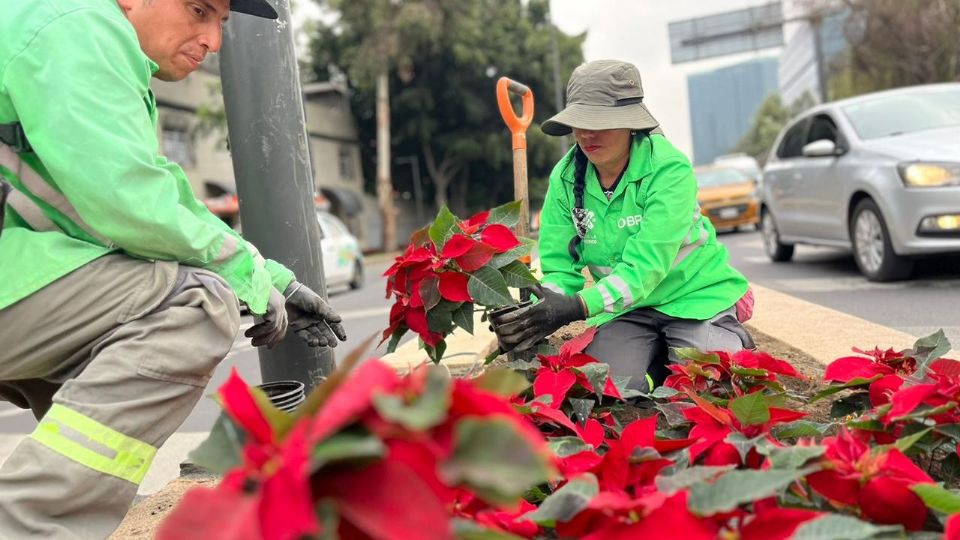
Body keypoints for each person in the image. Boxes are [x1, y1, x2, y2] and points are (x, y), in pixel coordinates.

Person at [0, 0, 346, 537]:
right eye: (198, 10)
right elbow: (127, 205)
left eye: (222, 23)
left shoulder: (56, 28)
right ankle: (26, 526)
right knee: (194, 302)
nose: (213, 40)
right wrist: (242, 276)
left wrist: (271, 277)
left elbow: (151, 195)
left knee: (100, 349)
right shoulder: (76, 26)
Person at [492, 59, 754, 392]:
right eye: (580, 122)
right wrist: (535, 311)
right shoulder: (566, 176)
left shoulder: (669, 170)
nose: (587, 133)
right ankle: (659, 362)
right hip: (627, 308)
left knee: (709, 383)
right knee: (606, 386)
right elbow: (561, 270)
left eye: (600, 122)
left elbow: (645, 268)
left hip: (694, 297)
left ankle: (718, 335)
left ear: (631, 123)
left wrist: (575, 308)